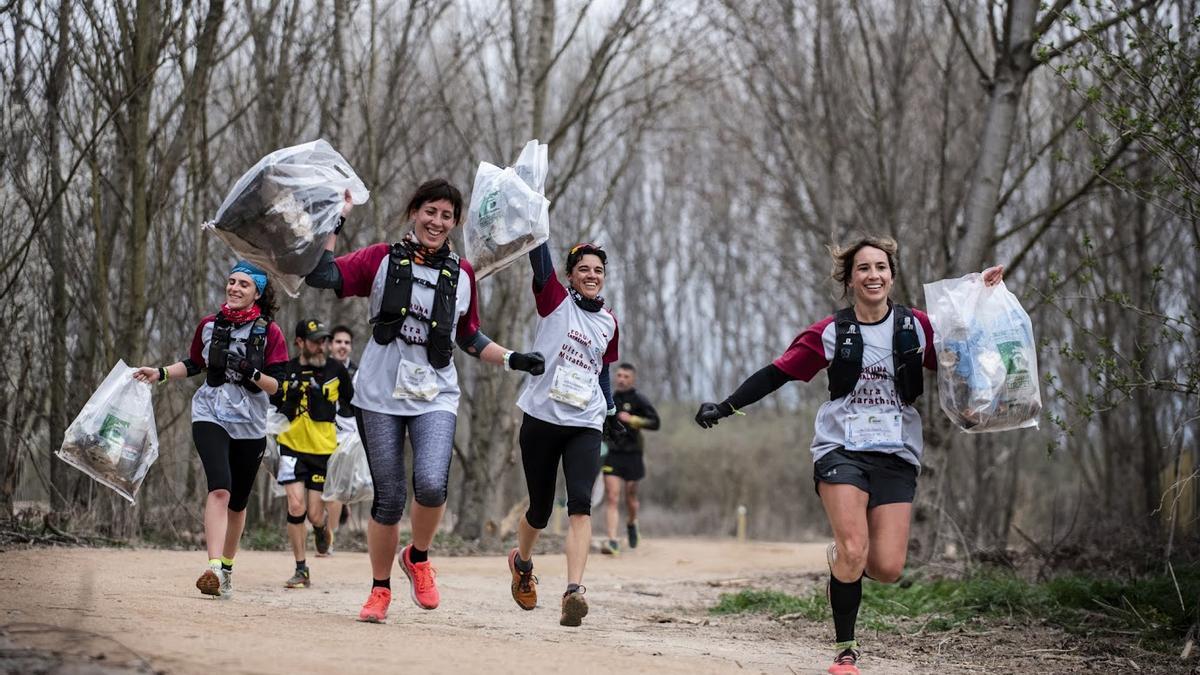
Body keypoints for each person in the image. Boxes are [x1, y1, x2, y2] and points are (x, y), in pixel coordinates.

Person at [694, 236, 1003, 675]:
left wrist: (982, 296)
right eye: (863, 268)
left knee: (888, 567)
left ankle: (844, 561)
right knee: (855, 550)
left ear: (892, 276)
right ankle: (846, 651)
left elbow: (963, 352)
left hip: (897, 452)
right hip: (841, 449)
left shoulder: (916, 327)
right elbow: (777, 372)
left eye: (881, 267)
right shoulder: (830, 332)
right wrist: (726, 405)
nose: (873, 275)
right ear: (849, 279)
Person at [305, 179, 544, 623]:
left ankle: (417, 556)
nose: (437, 221)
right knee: (390, 498)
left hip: (435, 393)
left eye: (447, 216)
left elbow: (468, 336)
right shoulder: (380, 258)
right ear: (415, 211)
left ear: (456, 223)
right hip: (379, 393)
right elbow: (323, 274)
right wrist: (334, 220)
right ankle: (379, 589)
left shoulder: (463, 272)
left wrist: (514, 359)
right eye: (430, 211)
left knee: (432, 484)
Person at [134, 261, 289, 599]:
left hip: (249, 422)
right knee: (220, 488)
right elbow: (194, 364)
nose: (233, 288)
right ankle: (214, 566)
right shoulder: (208, 325)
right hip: (210, 412)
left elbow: (278, 386)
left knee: (238, 503)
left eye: (243, 285)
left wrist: (252, 373)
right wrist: (158, 373)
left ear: (257, 293)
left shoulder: (270, 333)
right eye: (231, 282)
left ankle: (228, 568)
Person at [506, 241, 619, 627]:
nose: (591, 276)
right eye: (584, 269)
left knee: (581, 505)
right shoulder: (555, 300)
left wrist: (611, 409)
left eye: (598, 271)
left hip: (585, 422)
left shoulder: (609, 321)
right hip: (542, 417)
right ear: (571, 274)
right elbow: (539, 258)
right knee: (539, 510)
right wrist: (536, 208)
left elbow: (602, 367)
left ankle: (574, 592)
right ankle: (522, 564)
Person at [272, 318, 354, 587]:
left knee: (315, 514)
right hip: (291, 445)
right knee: (296, 505)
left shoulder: (336, 369)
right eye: (316, 341)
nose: (322, 346)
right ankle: (301, 568)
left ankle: (320, 528)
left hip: (323, 449)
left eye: (324, 340)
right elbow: (274, 404)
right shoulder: (287, 369)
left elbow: (352, 403)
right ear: (300, 343)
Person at [599, 362, 659, 555]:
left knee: (631, 497)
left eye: (626, 376)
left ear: (632, 379)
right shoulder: (609, 399)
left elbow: (655, 423)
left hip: (633, 453)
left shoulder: (639, 399)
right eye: (619, 376)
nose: (622, 379)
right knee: (612, 497)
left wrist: (633, 420)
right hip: (613, 454)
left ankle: (632, 523)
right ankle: (612, 540)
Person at [326, 324, 358, 533]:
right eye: (339, 342)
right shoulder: (319, 369)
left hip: (347, 435)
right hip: (319, 433)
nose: (342, 346)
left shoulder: (358, 373)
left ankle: (329, 537)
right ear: (330, 345)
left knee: (336, 486)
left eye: (347, 343)